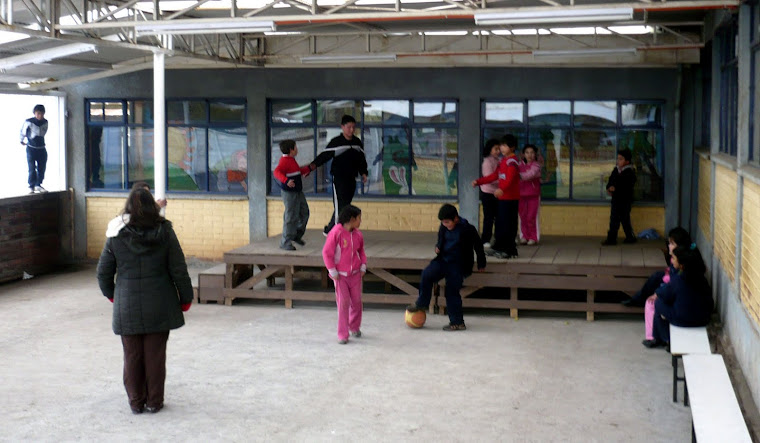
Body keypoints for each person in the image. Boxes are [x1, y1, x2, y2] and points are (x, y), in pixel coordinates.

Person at [96, 187, 194, 414]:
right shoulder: (165, 231)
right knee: (155, 356)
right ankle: (154, 402)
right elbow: (178, 268)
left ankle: (135, 402)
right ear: (153, 206)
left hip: (127, 305)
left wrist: (112, 295)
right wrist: (185, 298)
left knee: (132, 356)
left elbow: (103, 273)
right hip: (160, 303)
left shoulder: (116, 233)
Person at [407, 204, 486, 331]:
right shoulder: (443, 227)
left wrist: (481, 262)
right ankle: (422, 303)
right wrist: (438, 246)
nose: (445, 225)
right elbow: (441, 238)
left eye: (447, 222)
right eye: (443, 223)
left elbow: (478, 245)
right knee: (427, 274)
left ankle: (457, 322)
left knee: (452, 291)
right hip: (444, 260)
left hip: (459, 264)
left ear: (455, 219)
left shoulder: (467, 229)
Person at [644, 245, 713, 348]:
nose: (672, 261)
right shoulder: (702, 279)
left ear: (681, 265)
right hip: (703, 319)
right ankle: (661, 338)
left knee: (658, 303)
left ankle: (665, 339)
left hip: (683, 320)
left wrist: (657, 294)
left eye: (674, 259)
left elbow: (664, 295)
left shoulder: (678, 280)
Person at [310, 115, 368, 236]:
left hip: (351, 178)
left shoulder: (357, 143)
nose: (351, 130)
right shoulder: (336, 142)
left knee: (345, 205)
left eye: (353, 127)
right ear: (342, 127)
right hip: (339, 179)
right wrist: (312, 166)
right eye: (348, 127)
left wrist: (364, 173)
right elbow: (324, 156)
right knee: (340, 205)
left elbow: (362, 160)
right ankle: (335, 233)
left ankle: (331, 228)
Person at [322, 205, 367, 344]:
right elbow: (327, 253)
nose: (360, 221)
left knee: (357, 302)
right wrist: (332, 271)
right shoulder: (336, 232)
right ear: (351, 219)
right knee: (343, 303)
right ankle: (343, 334)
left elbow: (361, 252)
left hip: (355, 275)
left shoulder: (358, 234)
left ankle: (354, 327)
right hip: (340, 276)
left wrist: (363, 266)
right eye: (359, 218)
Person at [472, 134, 520, 259]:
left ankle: (510, 250)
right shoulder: (503, 161)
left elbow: (509, 179)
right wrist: (479, 181)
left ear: (512, 147)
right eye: (501, 146)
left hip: (511, 199)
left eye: (504, 146)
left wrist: (501, 189)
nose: (502, 148)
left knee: (508, 225)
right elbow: (495, 176)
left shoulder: (512, 161)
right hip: (502, 199)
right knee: (500, 224)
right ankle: (498, 247)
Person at [623, 227, 691, 307]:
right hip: (672, 283)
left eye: (672, 244)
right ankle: (638, 299)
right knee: (657, 276)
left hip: (678, 293)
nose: (669, 246)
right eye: (669, 243)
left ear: (680, 245)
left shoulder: (682, 261)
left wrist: (657, 294)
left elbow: (673, 283)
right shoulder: (676, 256)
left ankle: (641, 300)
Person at [273, 139, 312, 251]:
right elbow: (277, 172)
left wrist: (308, 169)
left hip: (298, 191)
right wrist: (286, 180)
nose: (297, 149)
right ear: (291, 150)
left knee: (304, 212)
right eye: (296, 147)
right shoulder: (284, 161)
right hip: (290, 193)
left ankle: (296, 234)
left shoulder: (291, 160)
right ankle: (285, 242)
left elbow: (296, 170)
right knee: (291, 217)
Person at [602, 148, 637, 245]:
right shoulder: (615, 170)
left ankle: (629, 237)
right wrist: (609, 188)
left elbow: (626, 186)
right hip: (616, 200)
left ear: (627, 161)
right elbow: (610, 181)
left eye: (621, 159)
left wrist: (615, 188)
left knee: (624, 219)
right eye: (618, 159)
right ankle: (612, 239)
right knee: (614, 219)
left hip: (625, 200)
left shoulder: (630, 172)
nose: (618, 161)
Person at [20, 104, 49, 193]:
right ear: (34, 113)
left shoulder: (45, 122)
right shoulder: (28, 122)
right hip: (31, 148)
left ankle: (38, 184)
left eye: (41, 114)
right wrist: (21, 140)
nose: (40, 116)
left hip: (41, 148)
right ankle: (31, 185)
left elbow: (42, 133)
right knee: (31, 167)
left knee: (42, 167)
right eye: (38, 113)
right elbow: (23, 132)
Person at [478, 139, 500, 248]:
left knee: (498, 217)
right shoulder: (487, 162)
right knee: (489, 218)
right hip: (488, 193)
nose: (498, 151)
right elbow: (489, 178)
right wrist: (503, 180)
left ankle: (497, 238)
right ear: (490, 149)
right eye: (496, 149)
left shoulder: (498, 160)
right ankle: (485, 239)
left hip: (497, 193)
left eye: (499, 149)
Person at [518, 144, 542, 246]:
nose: (529, 155)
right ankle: (524, 236)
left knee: (531, 217)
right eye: (527, 152)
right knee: (522, 216)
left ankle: (533, 237)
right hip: (520, 195)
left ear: (535, 154)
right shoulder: (519, 165)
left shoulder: (536, 166)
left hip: (533, 195)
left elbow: (529, 175)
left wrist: (517, 175)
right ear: (523, 154)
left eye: (532, 152)